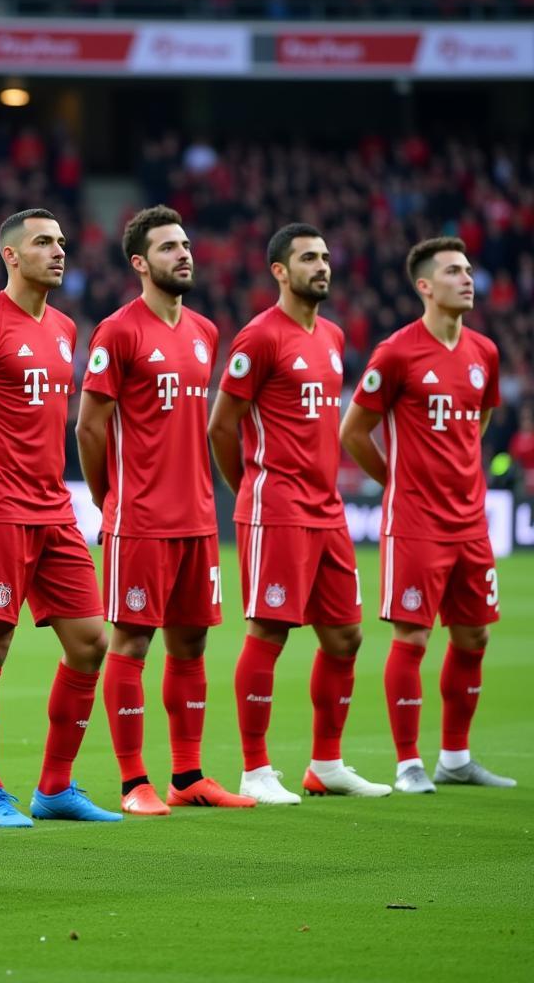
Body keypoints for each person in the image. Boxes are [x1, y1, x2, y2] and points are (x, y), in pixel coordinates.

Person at [0, 208, 121, 827]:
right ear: (11, 255)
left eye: (62, 241)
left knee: (91, 643)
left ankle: (55, 787)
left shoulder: (66, 327)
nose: (59, 251)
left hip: (54, 506)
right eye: (44, 242)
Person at [76, 206, 254, 814]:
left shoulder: (204, 331)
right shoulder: (118, 332)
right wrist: (108, 499)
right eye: (169, 247)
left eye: (186, 244)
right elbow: (90, 428)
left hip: (199, 519)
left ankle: (188, 775)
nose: (183, 254)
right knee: (130, 645)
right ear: (139, 263)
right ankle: (133, 784)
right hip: (141, 519)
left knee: (192, 646)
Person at [207, 223, 391, 804]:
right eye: (308, 258)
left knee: (345, 636)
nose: (323, 266)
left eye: (326, 256)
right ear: (280, 271)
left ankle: (326, 763)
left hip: (328, 507)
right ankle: (255, 770)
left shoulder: (333, 336)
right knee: (270, 628)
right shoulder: (259, 338)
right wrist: (252, 491)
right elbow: (221, 426)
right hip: (277, 506)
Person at [340, 236, 515, 793]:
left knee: (473, 639)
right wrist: (397, 481)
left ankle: (456, 758)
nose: (468, 279)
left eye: (469, 270)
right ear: (424, 286)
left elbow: (478, 422)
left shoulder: (485, 351)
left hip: (470, 521)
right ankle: (409, 761)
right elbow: (353, 432)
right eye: (454, 271)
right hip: (415, 521)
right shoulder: (396, 352)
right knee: (412, 639)